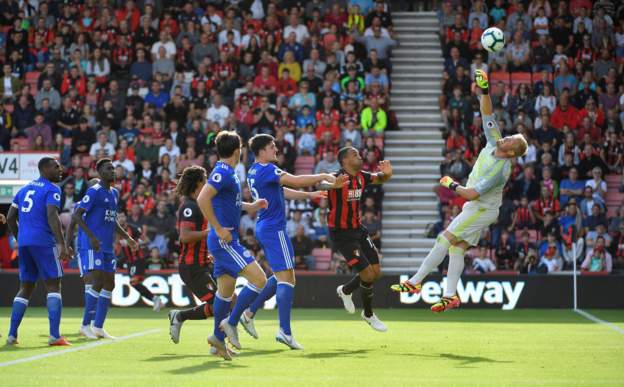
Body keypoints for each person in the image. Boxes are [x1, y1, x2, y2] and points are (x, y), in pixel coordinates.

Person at [392, 70, 528, 312]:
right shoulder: (492, 141)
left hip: (482, 208)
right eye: (508, 136)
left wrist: (451, 184)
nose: (505, 138)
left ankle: (415, 282)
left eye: (509, 140)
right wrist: (484, 90)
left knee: (443, 239)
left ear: (510, 153)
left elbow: (472, 194)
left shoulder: (500, 170)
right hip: (478, 207)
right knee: (457, 248)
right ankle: (450, 296)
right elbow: (487, 112)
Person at [237, 134, 337, 349]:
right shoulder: (268, 169)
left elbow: (282, 191)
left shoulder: (254, 170)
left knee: (279, 276)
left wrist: (310, 196)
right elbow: (295, 180)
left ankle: (249, 312)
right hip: (274, 228)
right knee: (288, 279)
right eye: (272, 147)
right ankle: (284, 331)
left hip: (266, 227)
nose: (276, 150)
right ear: (262, 151)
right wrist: (323, 175)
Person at [196, 131, 268, 360]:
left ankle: (217, 342)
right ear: (238, 150)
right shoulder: (222, 172)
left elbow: (231, 204)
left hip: (224, 240)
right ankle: (232, 323)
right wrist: (217, 228)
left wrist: (251, 205)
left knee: (225, 294)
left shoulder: (230, 173)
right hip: (224, 240)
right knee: (260, 280)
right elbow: (202, 198)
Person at [6, 157, 72, 346]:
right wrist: (61, 244)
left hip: (25, 244)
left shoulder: (24, 189)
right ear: (44, 169)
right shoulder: (52, 189)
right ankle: (54, 336)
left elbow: (11, 218)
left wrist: (21, 238)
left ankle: (12, 335)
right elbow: (53, 216)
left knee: (25, 287)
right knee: (53, 285)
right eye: (56, 166)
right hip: (44, 242)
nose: (60, 169)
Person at [327, 146, 393, 331]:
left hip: (358, 229)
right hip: (342, 234)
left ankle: (346, 290)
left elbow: (380, 178)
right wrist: (332, 184)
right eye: (355, 155)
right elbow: (320, 184)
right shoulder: (336, 176)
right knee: (367, 274)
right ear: (345, 161)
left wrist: (388, 173)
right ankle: (369, 314)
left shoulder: (362, 176)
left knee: (376, 272)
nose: (360, 156)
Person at [71, 159, 137, 339]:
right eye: (108, 169)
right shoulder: (94, 191)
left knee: (110, 283)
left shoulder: (114, 193)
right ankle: (85, 325)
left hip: (107, 246)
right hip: (95, 245)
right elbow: (77, 216)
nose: (113, 171)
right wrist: (91, 237)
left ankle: (98, 326)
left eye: (113, 169)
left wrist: (127, 237)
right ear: (99, 172)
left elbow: (112, 219)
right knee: (97, 282)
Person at [168, 166, 220, 344]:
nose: (207, 184)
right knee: (220, 304)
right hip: (192, 266)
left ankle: (181, 317)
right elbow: (185, 236)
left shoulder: (199, 204)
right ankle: (181, 317)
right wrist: (210, 232)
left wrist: (209, 251)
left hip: (202, 263)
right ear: (198, 183)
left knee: (225, 301)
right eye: (205, 180)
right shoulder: (189, 207)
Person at [115, 212, 162, 312]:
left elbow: (147, 240)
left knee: (134, 282)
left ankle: (155, 299)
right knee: (134, 283)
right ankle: (155, 299)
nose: (121, 218)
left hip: (138, 259)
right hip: (129, 261)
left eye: (122, 216)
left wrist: (136, 243)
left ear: (126, 218)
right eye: (119, 217)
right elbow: (117, 246)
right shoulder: (116, 231)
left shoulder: (133, 228)